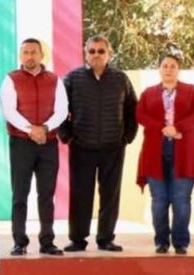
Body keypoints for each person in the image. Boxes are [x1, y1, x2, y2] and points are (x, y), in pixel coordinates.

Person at [59, 34, 138, 252]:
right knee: (80, 194)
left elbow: (133, 109)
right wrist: (67, 136)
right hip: (82, 146)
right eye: (91, 51)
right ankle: (77, 238)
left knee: (110, 194)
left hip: (113, 147)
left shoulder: (121, 79)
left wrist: (127, 137)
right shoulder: (73, 78)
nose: (96, 55)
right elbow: (59, 110)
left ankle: (106, 238)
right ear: (85, 54)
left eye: (101, 51)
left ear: (109, 54)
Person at [135, 54, 194, 255]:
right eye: (165, 66)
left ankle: (180, 242)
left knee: (181, 199)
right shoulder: (148, 93)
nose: (169, 69)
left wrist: (177, 127)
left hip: (186, 152)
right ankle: (161, 241)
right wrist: (164, 128)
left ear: (179, 69)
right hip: (154, 151)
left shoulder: (191, 91)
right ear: (159, 69)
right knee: (159, 200)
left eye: (173, 66)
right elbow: (140, 114)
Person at [0, 38, 68, 256]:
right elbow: (9, 111)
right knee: (20, 193)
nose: (30, 56)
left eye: (33, 52)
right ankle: (19, 241)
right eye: (26, 52)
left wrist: (45, 128)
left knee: (46, 194)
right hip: (21, 143)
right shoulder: (11, 79)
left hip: (48, 144)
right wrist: (32, 130)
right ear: (21, 56)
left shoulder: (55, 81)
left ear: (41, 55)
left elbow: (62, 111)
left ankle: (47, 241)